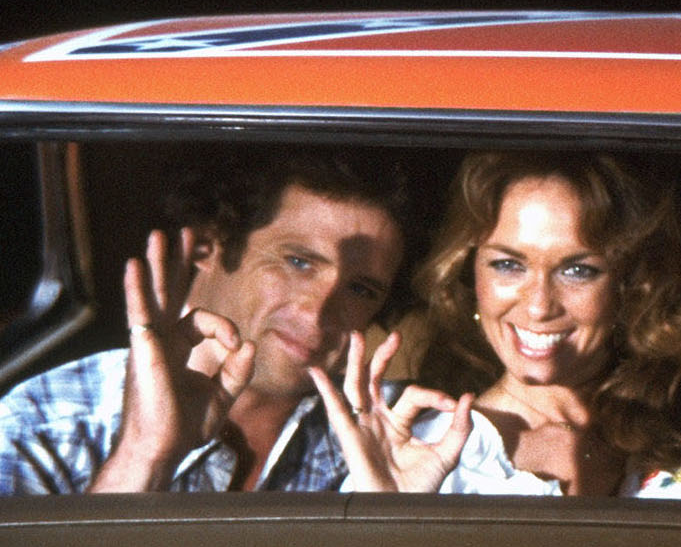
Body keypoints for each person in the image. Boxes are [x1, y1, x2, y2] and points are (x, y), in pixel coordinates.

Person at [311, 151, 681, 499]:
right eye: (508, 265)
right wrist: (384, 519)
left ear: (629, 284)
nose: (540, 305)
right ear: (470, 274)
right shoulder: (416, 453)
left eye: (577, 270)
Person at [0, 149, 419, 493]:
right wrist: (144, 454)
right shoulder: (45, 423)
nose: (318, 312)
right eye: (298, 262)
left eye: (360, 290)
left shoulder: (398, 432)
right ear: (205, 246)